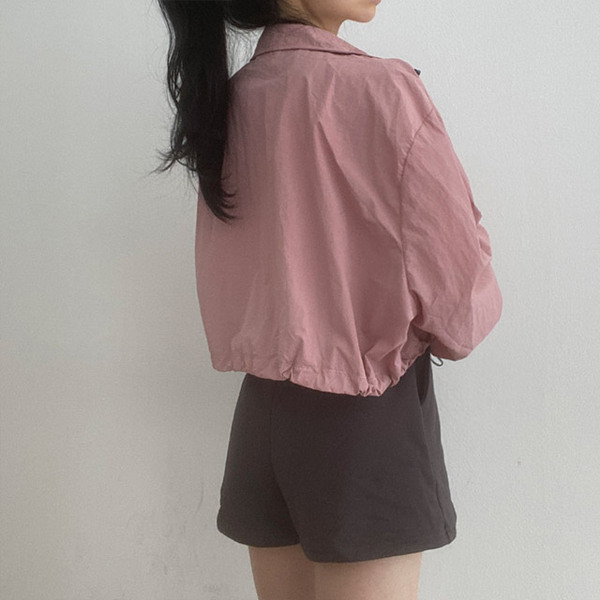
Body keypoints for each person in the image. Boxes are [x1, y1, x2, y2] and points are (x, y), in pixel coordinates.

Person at [153, 1, 503, 598]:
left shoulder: (230, 99)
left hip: (261, 419)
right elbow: (461, 309)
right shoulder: (383, 90)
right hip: (365, 420)